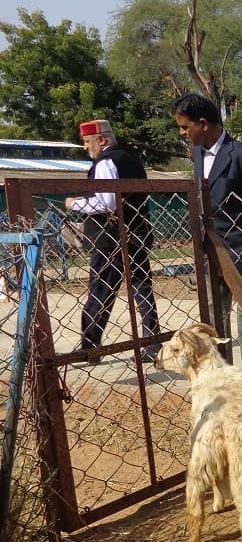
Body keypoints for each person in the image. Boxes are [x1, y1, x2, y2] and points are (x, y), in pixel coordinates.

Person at [171, 93, 242, 370]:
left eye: (185, 127)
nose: (182, 133)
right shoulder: (196, 155)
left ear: (203, 124)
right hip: (209, 253)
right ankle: (223, 372)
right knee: (215, 322)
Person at [67, 119, 161, 365]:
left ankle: (90, 347)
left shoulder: (106, 162)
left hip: (110, 239)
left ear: (102, 140)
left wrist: (74, 204)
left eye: (88, 142)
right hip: (136, 234)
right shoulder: (130, 159)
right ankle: (152, 343)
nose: (86, 147)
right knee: (142, 290)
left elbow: (107, 203)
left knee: (100, 292)